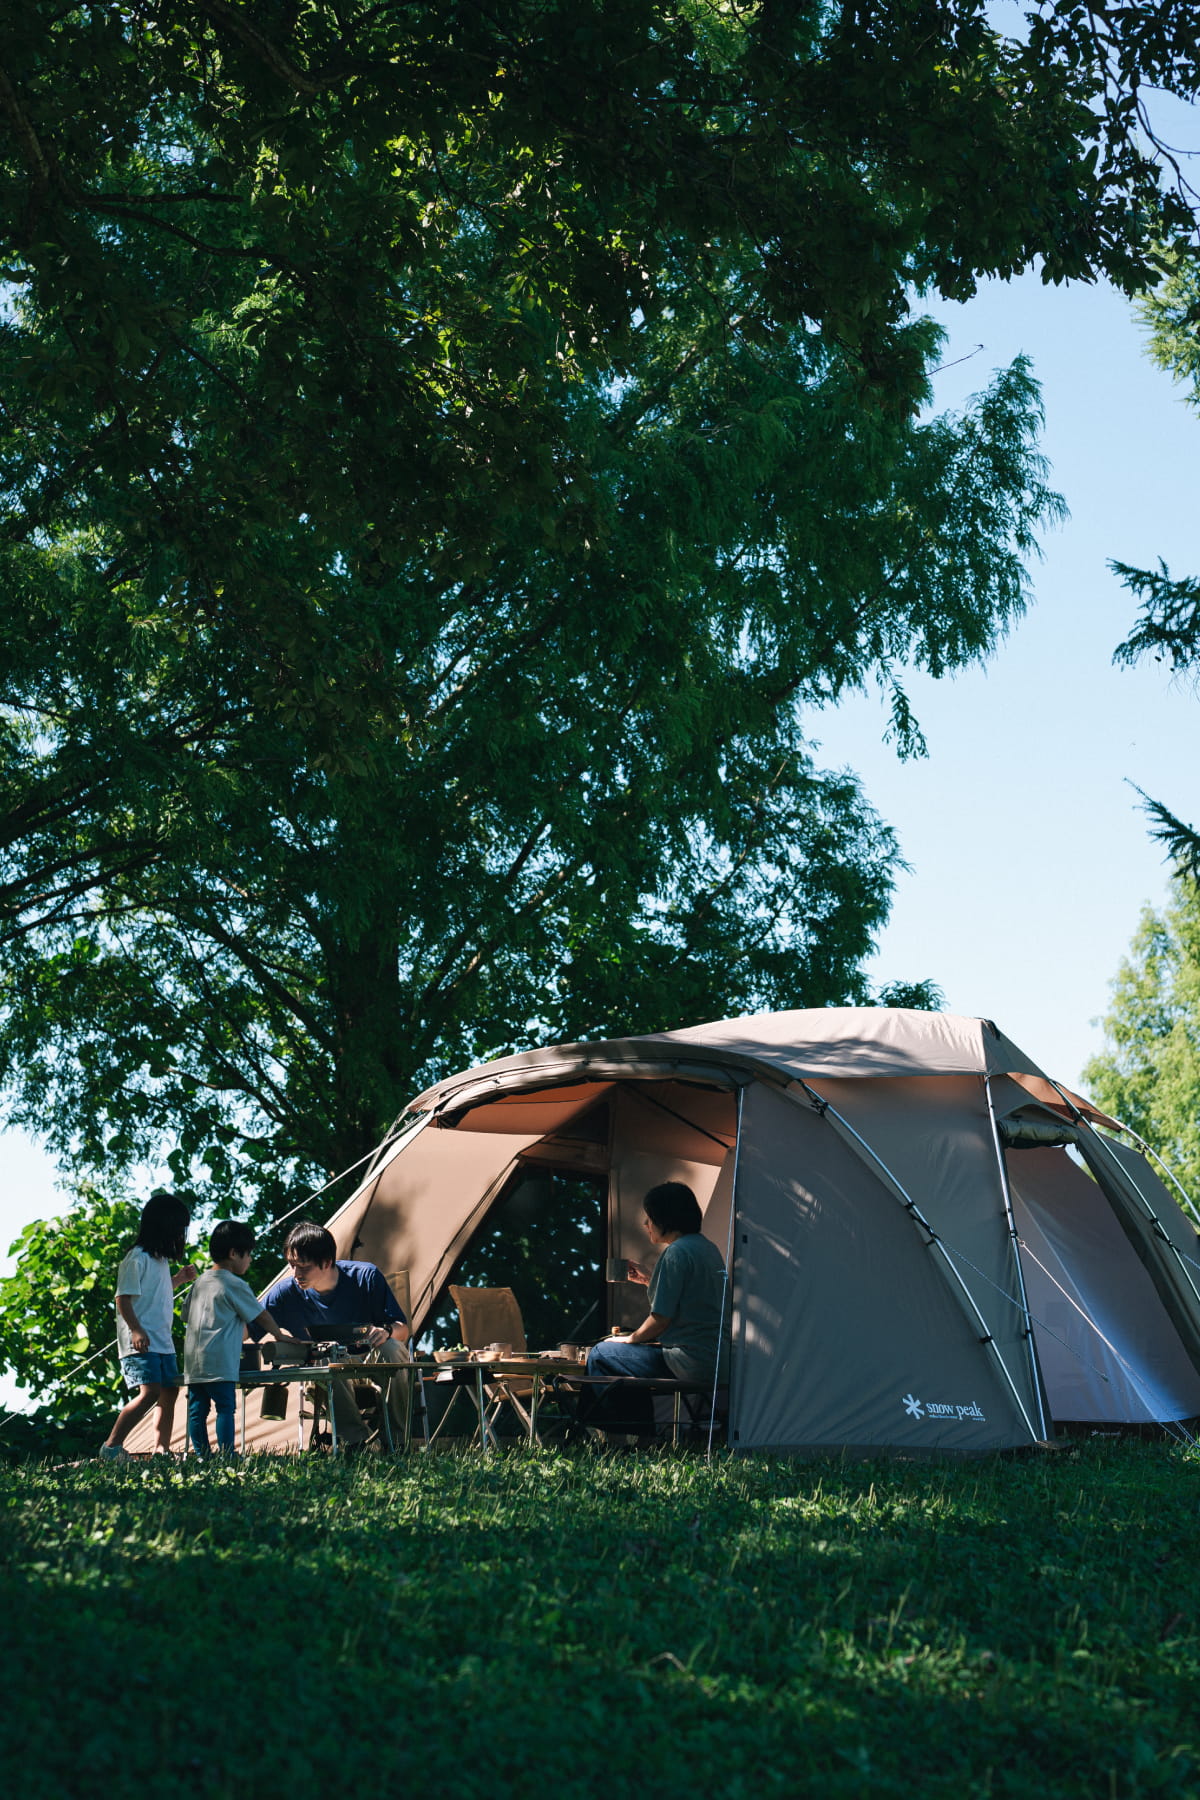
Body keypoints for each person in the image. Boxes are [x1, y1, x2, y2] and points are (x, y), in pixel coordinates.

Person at [583, 1181, 730, 1435]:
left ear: (664, 1218)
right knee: (625, 1362)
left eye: (649, 1218)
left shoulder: (675, 1252)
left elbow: (661, 1318)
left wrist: (631, 1339)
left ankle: (625, 1435)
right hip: (718, 1360)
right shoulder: (707, 1248)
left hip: (689, 1361)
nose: (646, 1225)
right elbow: (690, 1299)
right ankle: (638, 1436)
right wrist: (651, 1279)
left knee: (602, 1353)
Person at [260, 1221, 410, 1449]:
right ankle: (357, 1443)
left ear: (327, 1262)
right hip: (328, 1367)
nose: (296, 1273)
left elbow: (403, 1329)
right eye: (292, 1265)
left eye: (303, 1266)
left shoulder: (365, 1277)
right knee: (325, 1354)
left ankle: (397, 1443)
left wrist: (387, 1331)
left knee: (393, 1348)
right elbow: (248, 1325)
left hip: (369, 1359)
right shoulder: (285, 1293)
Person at [99, 1191, 198, 1461]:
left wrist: (178, 1279)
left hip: (162, 1341)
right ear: (164, 1227)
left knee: (170, 1390)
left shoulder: (160, 1260)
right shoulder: (137, 1257)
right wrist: (136, 1330)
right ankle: (111, 1447)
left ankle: (161, 1449)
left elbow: (158, 1291)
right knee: (150, 1391)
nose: (181, 1235)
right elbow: (122, 1298)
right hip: (140, 1341)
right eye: (179, 1229)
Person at [184, 1220, 282, 1458]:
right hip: (220, 1361)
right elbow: (261, 1315)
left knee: (197, 1410)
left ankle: (202, 1455)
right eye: (248, 1255)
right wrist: (280, 1335)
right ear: (233, 1253)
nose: (249, 1260)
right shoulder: (235, 1284)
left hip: (194, 1361)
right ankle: (227, 1454)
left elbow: (185, 1316)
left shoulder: (199, 1282)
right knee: (225, 1407)